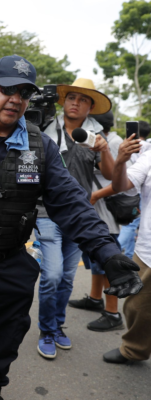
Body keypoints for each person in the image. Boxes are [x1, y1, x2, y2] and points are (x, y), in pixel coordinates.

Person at [0, 55, 141, 400]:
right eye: (8, 89)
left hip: (12, 266)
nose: (15, 99)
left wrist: (108, 252)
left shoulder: (40, 146)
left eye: (24, 92)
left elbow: (71, 203)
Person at [35, 78, 115, 359]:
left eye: (83, 100)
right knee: (53, 274)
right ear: (64, 101)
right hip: (46, 212)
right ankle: (46, 330)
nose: (75, 103)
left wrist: (104, 149)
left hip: (78, 216)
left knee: (67, 278)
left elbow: (111, 176)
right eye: (71, 97)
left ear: (90, 107)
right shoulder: (45, 129)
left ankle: (57, 326)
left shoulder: (94, 136)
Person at [68, 111, 124, 332]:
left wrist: (95, 196)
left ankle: (113, 312)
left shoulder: (111, 143)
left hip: (104, 208)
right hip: (91, 208)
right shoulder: (87, 140)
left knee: (108, 258)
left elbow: (122, 179)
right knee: (94, 258)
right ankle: (94, 298)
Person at [103, 132, 151, 364]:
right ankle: (134, 349)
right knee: (137, 307)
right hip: (149, 252)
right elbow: (122, 186)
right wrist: (121, 160)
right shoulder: (148, 155)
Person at [117, 120, 150, 259]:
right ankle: (116, 250)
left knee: (132, 223)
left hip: (134, 188)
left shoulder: (127, 145)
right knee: (133, 224)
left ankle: (128, 254)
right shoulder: (147, 147)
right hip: (139, 190)